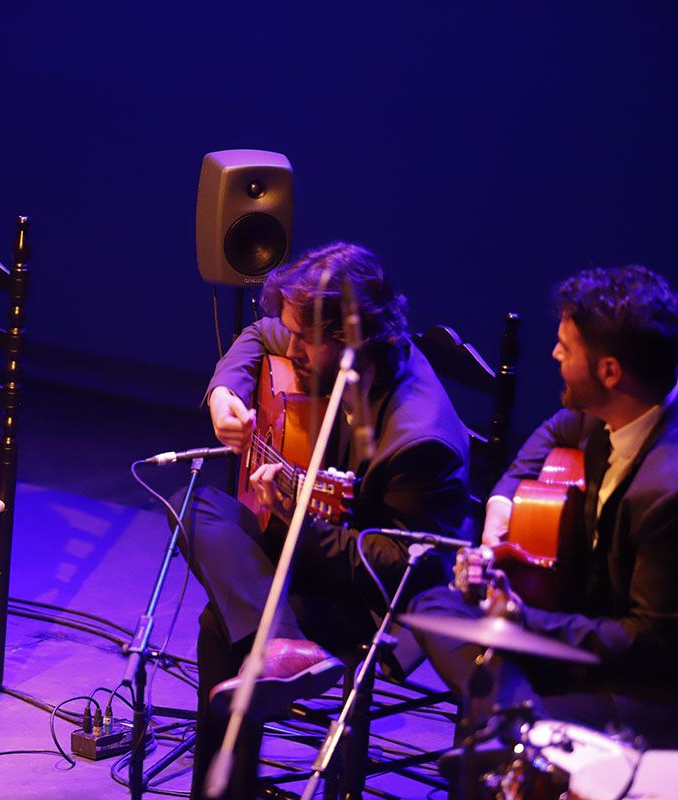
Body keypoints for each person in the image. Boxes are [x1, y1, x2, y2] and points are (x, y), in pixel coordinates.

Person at [178, 242, 472, 798]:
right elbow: (256, 336)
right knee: (197, 502)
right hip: (317, 544)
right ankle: (283, 645)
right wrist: (224, 394)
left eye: (302, 339)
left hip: (377, 600)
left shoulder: (418, 438)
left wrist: (298, 526)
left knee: (223, 625)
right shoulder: (342, 359)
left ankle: (228, 778)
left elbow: (399, 569)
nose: (289, 347)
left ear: (347, 339)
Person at [410, 264, 678, 749]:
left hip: (645, 688)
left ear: (609, 371)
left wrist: (519, 619)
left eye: (566, 346)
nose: (553, 353)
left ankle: (506, 717)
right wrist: (502, 500)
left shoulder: (673, 489)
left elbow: (650, 643)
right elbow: (554, 430)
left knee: (489, 738)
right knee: (434, 602)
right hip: (579, 630)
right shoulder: (620, 409)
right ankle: (508, 709)